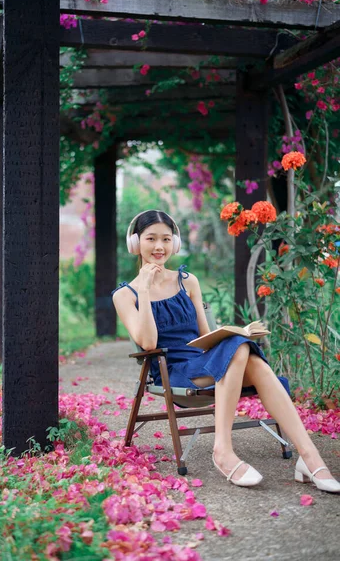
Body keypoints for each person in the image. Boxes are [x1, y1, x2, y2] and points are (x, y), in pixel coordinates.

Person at [112, 209, 340, 491]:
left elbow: (205, 335)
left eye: (166, 239)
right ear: (135, 243)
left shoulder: (188, 281)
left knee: (244, 351)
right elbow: (147, 343)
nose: (160, 247)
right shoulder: (125, 295)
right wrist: (145, 290)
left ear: (176, 243)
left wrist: (237, 333)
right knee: (243, 352)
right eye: (151, 239)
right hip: (174, 372)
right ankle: (224, 451)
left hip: (206, 363)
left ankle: (309, 457)